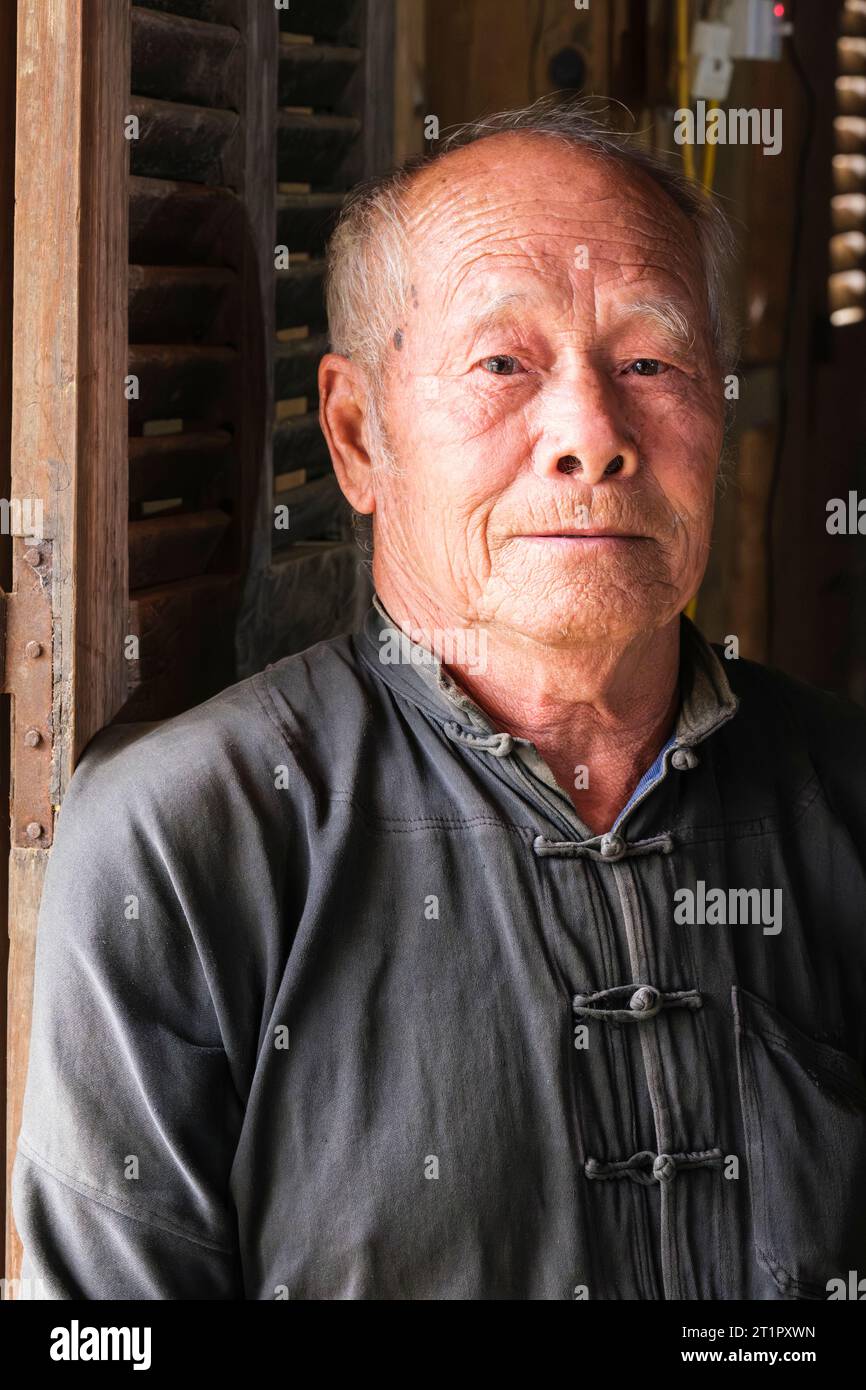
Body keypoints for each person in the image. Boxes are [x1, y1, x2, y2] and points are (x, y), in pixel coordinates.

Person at [13, 100, 866, 1300]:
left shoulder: (840, 795)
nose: (589, 434)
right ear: (357, 437)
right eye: (503, 363)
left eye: (647, 361)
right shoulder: (187, 843)